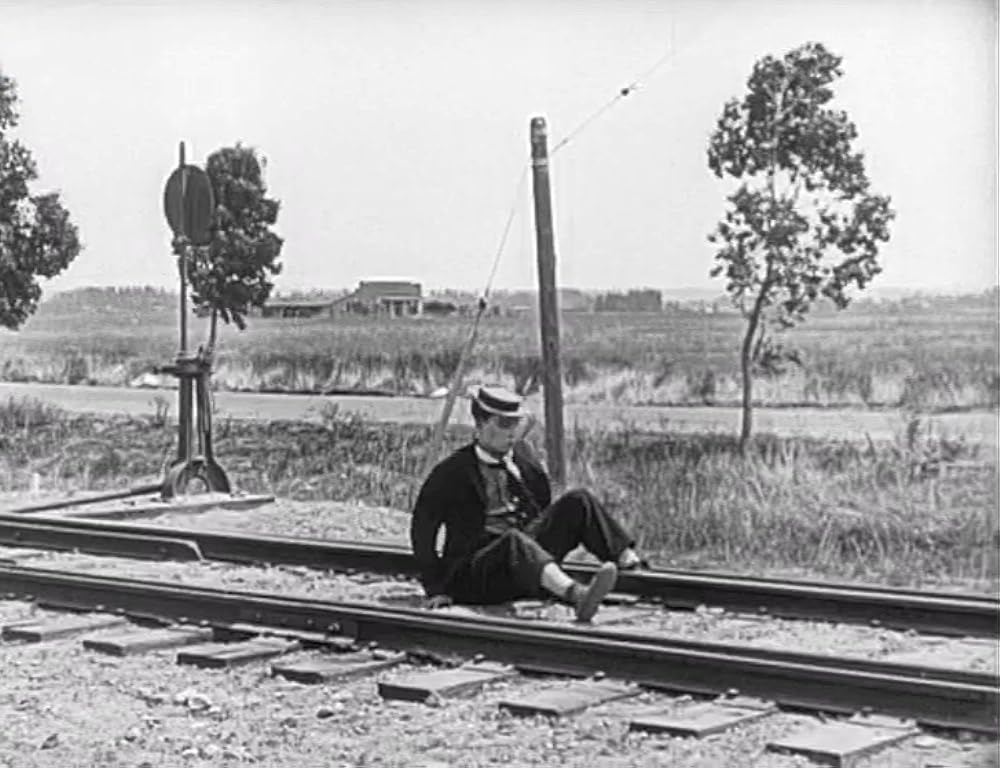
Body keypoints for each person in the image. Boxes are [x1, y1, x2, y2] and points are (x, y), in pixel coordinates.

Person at [410, 385, 645, 622]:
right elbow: (422, 532)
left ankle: (633, 568)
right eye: (503, 424)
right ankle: (576, 595)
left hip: (522, 560)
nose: (511, 432)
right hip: (476, 573)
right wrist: (437, 589)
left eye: (516, 423)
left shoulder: (523, 458)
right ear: (480, 424)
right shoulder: (452, 471)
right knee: (514, 540)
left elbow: (542, 507)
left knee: (578, 500)